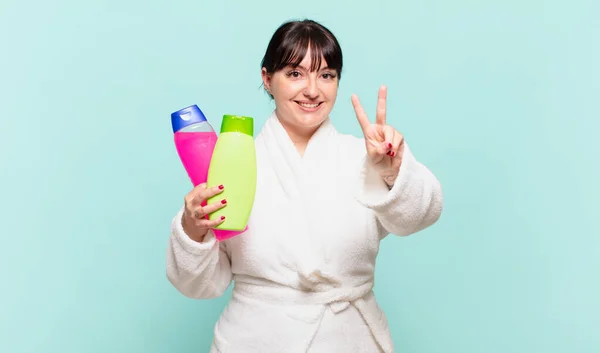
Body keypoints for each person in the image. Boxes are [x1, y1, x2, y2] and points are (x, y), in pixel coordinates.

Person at [166, 19, 443, 353]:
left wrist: (394, 170)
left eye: (326, 75)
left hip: (349, 338)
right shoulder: (234, 161)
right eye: (295, 74)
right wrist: (192, 227)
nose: (312, 90)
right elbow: (199, 284)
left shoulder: (367, 156)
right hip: (256, 339)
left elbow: (421, 215)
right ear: (267, 79)